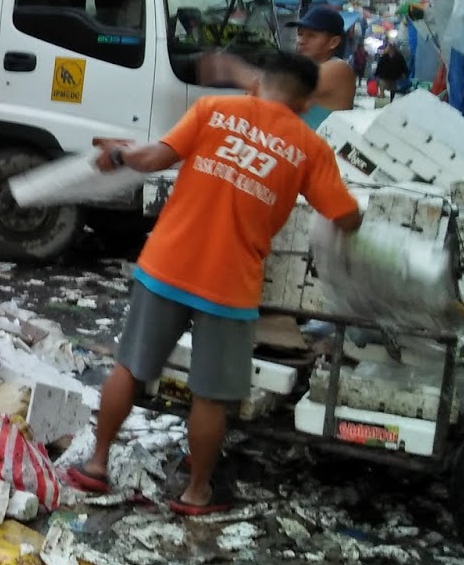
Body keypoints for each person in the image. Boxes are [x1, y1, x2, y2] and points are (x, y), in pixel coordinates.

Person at [65, 52, 363, 515]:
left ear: (259, 85)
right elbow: (344, 214)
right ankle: (196, 492)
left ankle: (97, 464)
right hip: (229, 284)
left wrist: (119, 153)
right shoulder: (310, 147)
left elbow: (152, 158)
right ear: (306, 104)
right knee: (210, 395)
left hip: (166, 265)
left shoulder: (214, 111)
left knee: (131, 367)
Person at [284, 3, 356, 129]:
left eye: (311, 35)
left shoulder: (338, 68)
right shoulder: (305, 69)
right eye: (300, 34)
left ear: (333, 42)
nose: (301, 41)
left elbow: (277, 90)